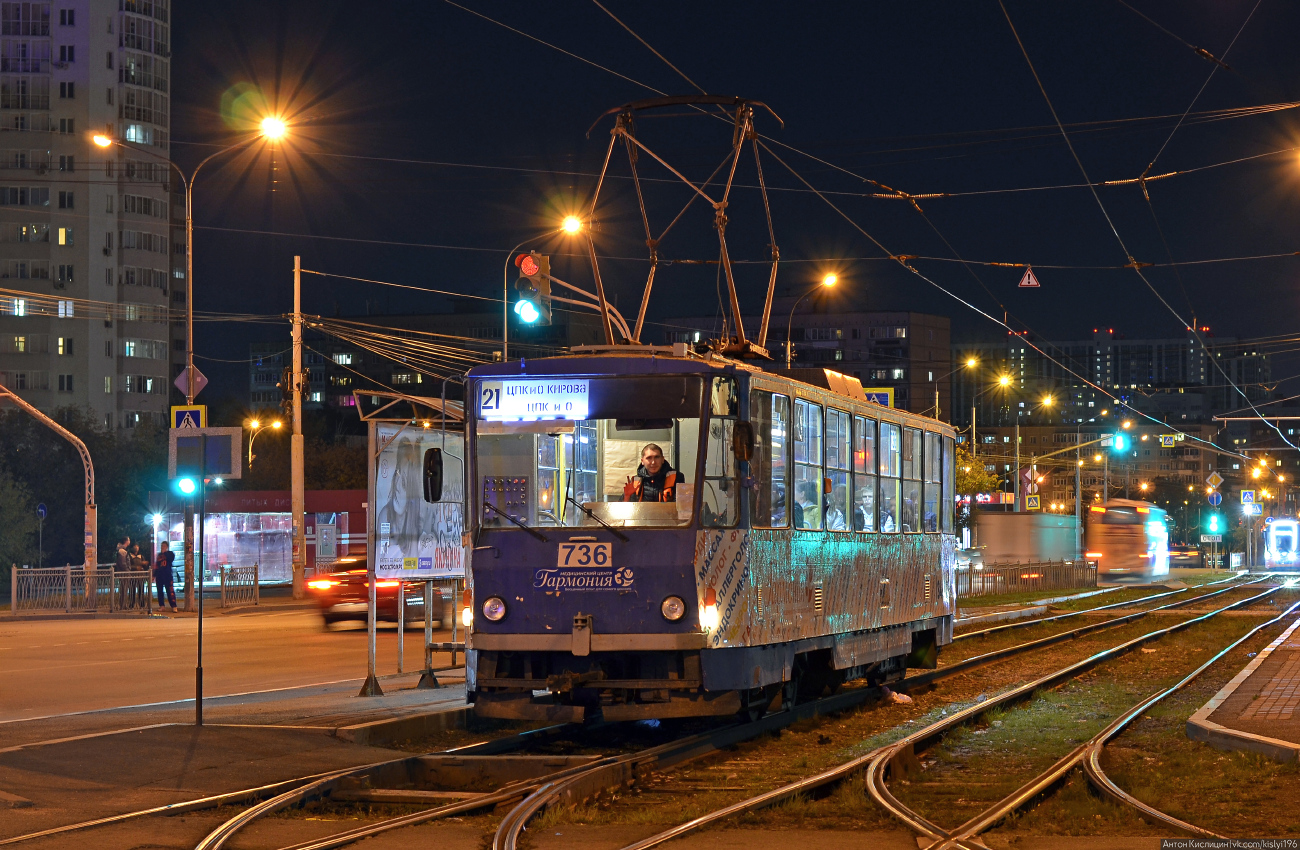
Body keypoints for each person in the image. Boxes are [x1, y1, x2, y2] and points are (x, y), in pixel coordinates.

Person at [154, 541, 177, 612]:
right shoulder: (159, 555)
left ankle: (173, 605)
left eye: (164, 546)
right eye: (161, 546)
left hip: (167, 575)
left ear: (167, 547)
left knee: (170, 591)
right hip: (160, 576)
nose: (162, 547)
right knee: (160, 591)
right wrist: (154, 575)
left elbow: (171, 559)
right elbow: (157, 565)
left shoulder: (170, 553)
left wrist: (165, 552)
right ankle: (162, 606)